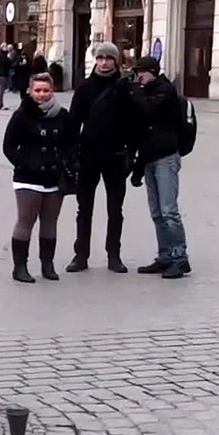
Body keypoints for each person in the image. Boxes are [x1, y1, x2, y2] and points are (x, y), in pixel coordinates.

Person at [66, 42, 135, 273]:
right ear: (95, 60)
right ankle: (81, 255)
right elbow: (74, 123)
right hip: (88, 155)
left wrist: (130, 154)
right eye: (101, 57)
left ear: (116, 61)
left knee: (115, 209)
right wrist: (72, 154)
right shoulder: (85, 88)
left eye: (109, 58)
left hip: (115, 155)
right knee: (84, 208)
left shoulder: (124, 88)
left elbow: (132, 124)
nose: (104, 62)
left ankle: (113, 255)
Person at [3, 73, 78, 283]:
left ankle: (48, 264)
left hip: (54, 177)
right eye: (37, 90)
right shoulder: (21, 115)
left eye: (46, 90)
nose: (42, 95)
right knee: (26, 221)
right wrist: (23, 162)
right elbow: (8, 145)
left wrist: (68, 161)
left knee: (49, 222)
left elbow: (72, 142)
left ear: (52, 91)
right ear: (30, 91)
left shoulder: (63, 115)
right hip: (28, 178)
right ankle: (20, 267)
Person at [127, 56, 191, 279]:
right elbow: (139, 131)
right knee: (157, 212)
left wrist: (135, 91)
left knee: (168, 210)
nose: (138, 78)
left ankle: (180, 257)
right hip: (149, 158)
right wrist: (136, 169)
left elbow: (148, 111)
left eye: (141, 73)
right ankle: (165, 255)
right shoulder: (146, 91)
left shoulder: (165, 90)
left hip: (166, 157)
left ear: (152, 71)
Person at [0, 44, 12, 110]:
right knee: (1, 90)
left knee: (2, 90)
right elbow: (8, 62)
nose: (7, 48)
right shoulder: (2, 55)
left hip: (1, 74)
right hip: (3, 74)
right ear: (2, 48)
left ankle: (1, 104)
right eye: (5, 47)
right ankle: (1, 105)